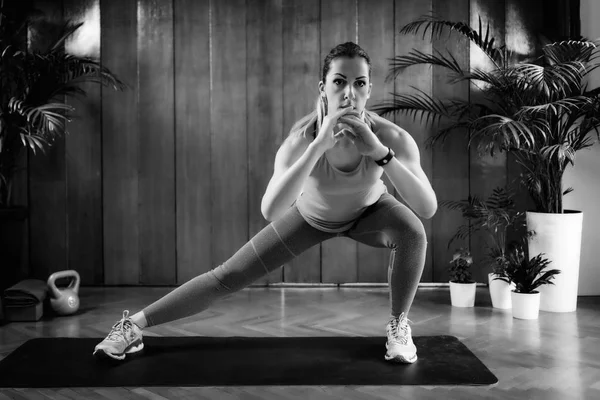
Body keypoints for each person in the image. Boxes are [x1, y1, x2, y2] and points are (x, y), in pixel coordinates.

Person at [94, 42, 437, 364]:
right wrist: (318, 146)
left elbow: (427, 207)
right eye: (339, 82)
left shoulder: (391, 138)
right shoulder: (298, 142)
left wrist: (378, 152)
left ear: (369, 90)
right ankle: (133, 327)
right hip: (311, 218)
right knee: (226, 276)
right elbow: (272, 211)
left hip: (370, 214)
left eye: (360, 83)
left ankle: (398, 326)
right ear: (323, 88)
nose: (349, 93)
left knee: (413, 232)